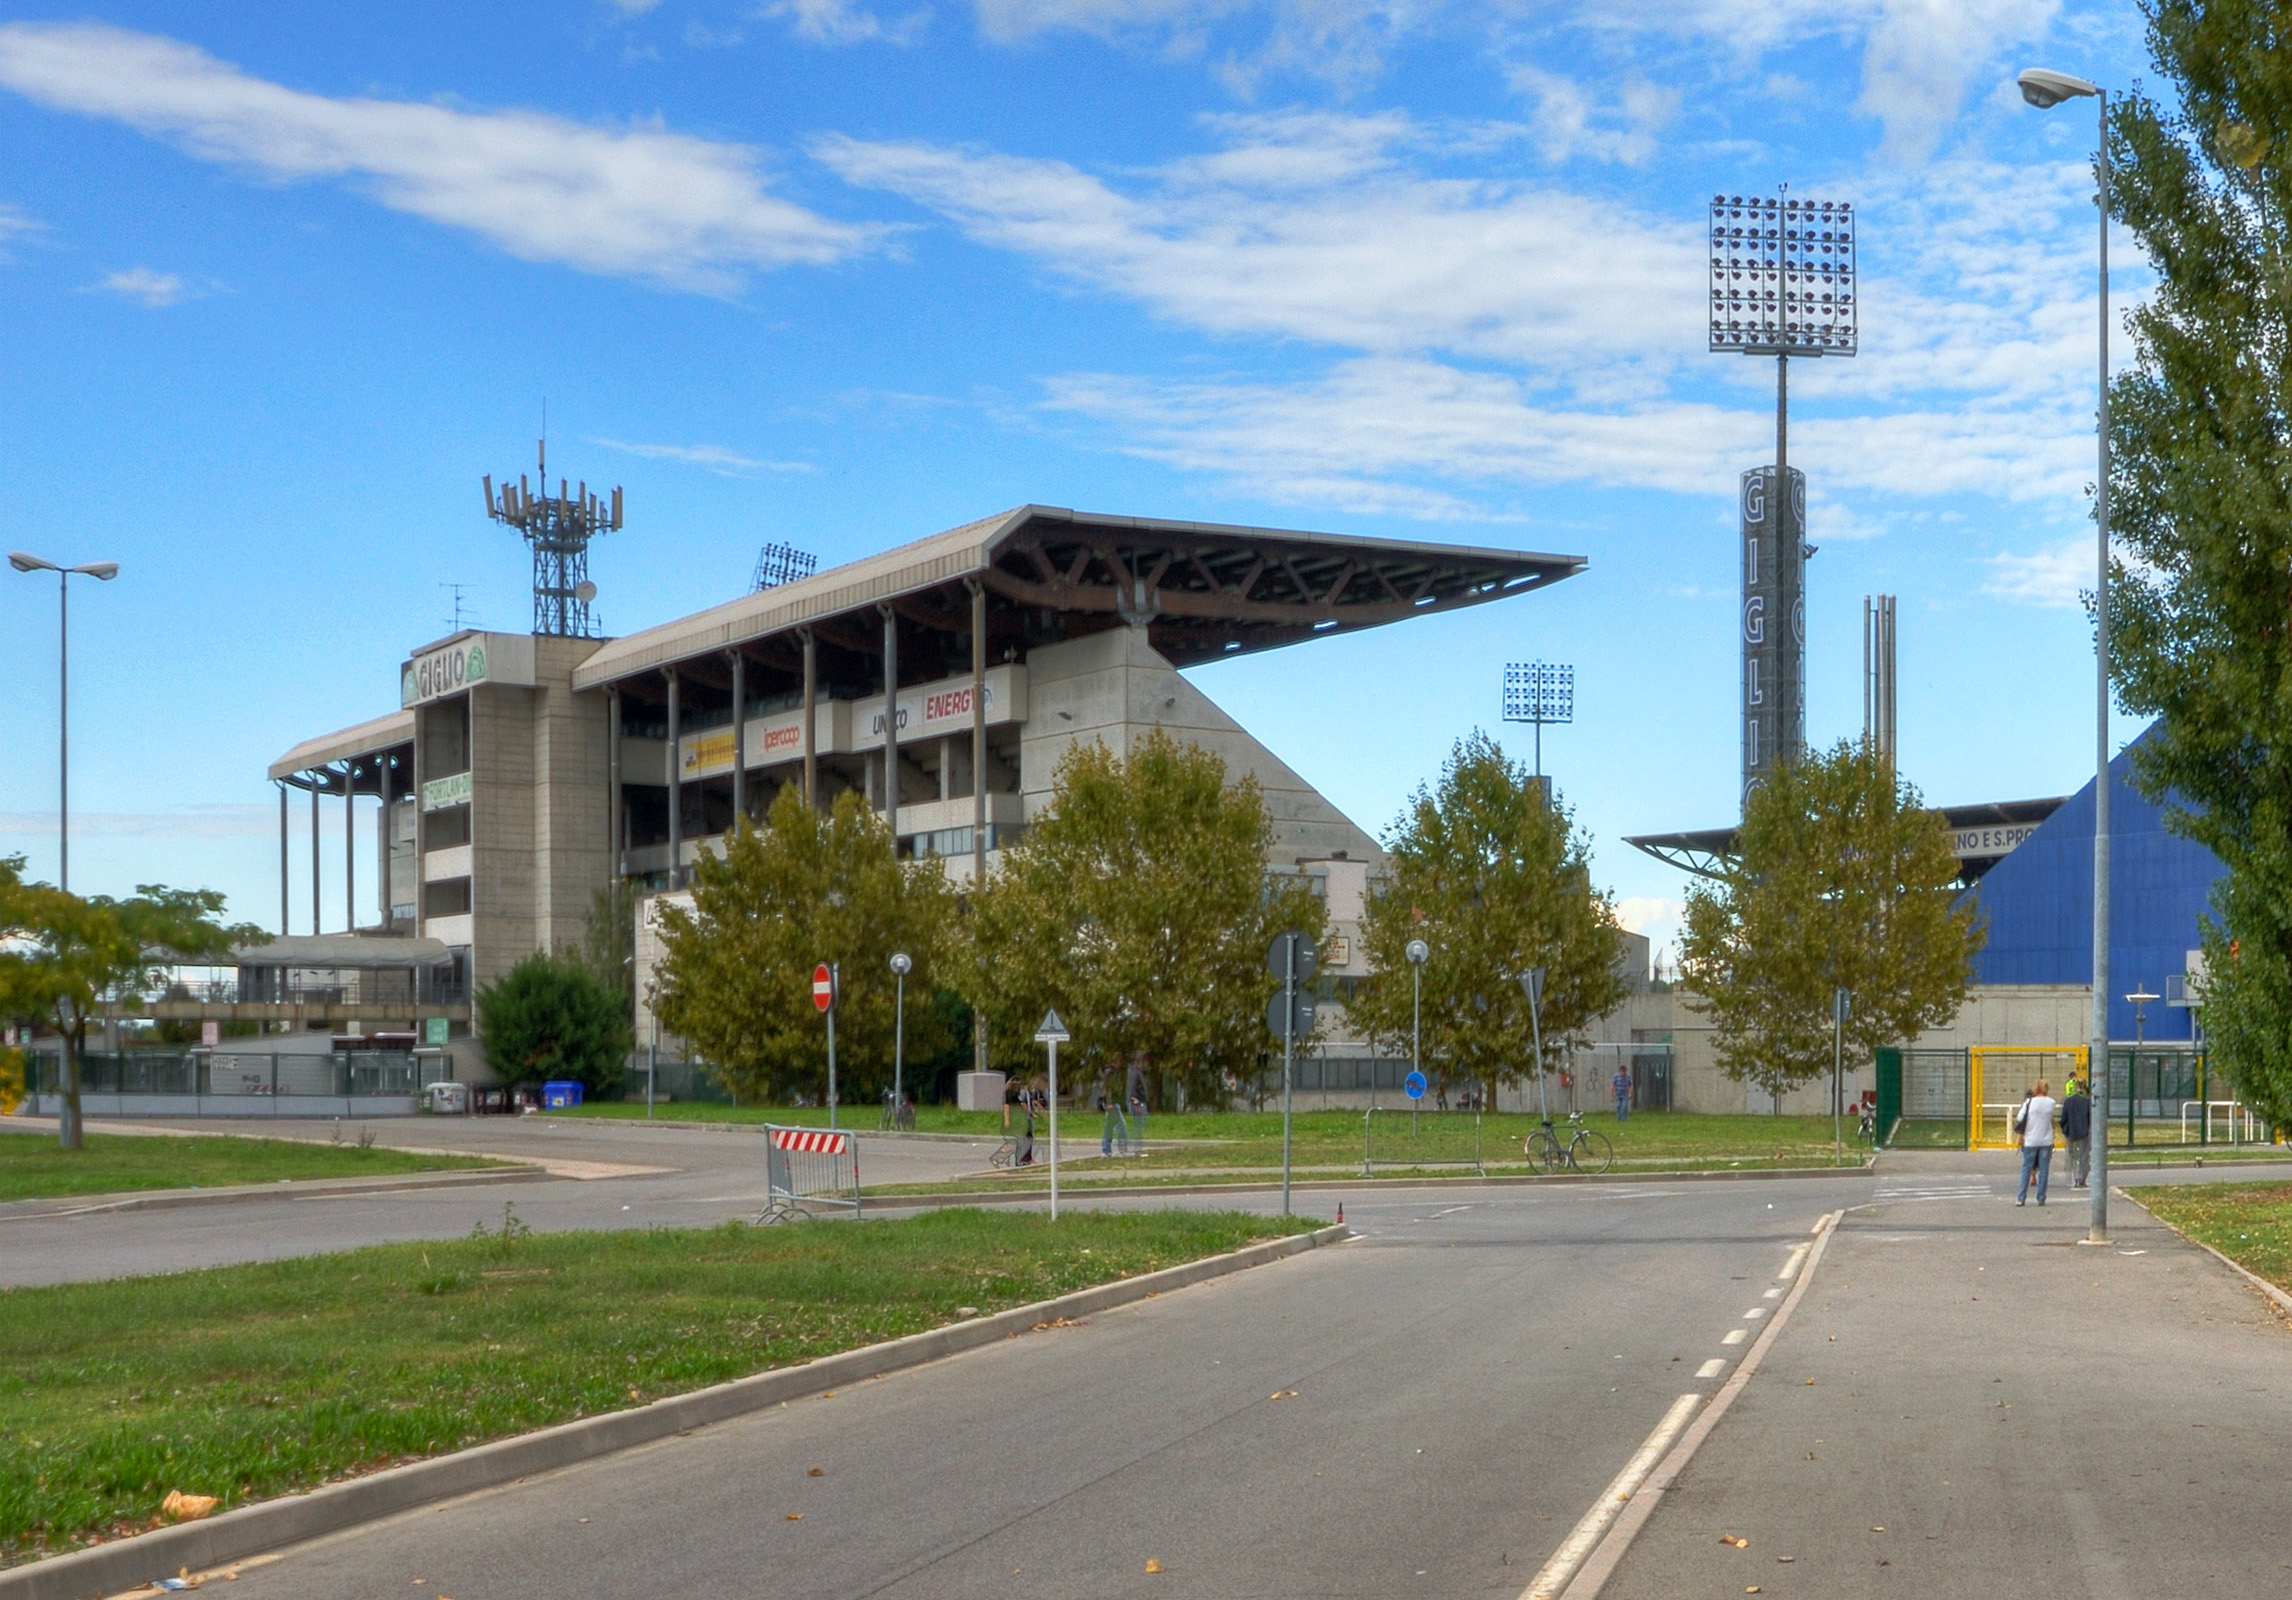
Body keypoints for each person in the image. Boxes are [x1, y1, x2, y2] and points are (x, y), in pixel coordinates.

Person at [2014, 1079, 2059, 1206]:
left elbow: (2019, 1118)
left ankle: (2021, 1198)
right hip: (2046, 1139)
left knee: (2026, 1168)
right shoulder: (2051, 1102)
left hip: (2030, 1139)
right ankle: (2041, 1198)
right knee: (2044, 1169)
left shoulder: (2029, 1102)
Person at [2060, 1074, 2093, 1189]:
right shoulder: (2087, 1101)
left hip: (2070, 1131)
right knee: (2083, 1156)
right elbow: (2090, 1117)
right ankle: (2081, 1178)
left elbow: (2063, 1117)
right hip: (2083, 1132)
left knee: (2071, 1155)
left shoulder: (2068, 1100)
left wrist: (2065, 1130)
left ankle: (2072, 1178)